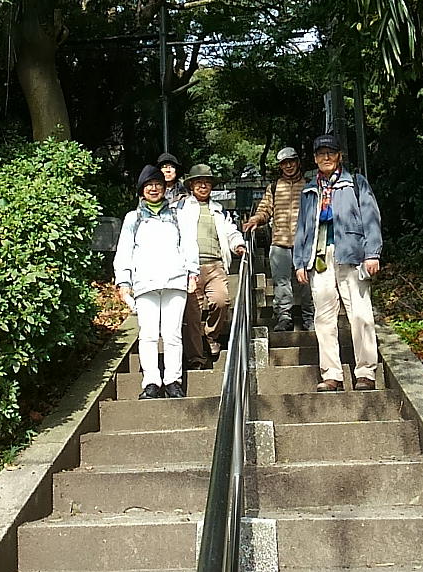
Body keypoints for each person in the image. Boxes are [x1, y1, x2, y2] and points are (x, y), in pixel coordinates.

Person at [293, 134, 382, 392]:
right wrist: (300, 262)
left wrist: (372, 253)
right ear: (314, 159)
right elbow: (302, 227)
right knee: (323, 317)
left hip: (352, 254)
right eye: (321, 154)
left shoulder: (355, 183)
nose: (326, 157)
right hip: (319, 256)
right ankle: (331, 374)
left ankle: (366, 372)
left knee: (361, 314)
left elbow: (371, 217)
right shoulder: (310, 190)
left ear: (339, 156)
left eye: (330, 153)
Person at [113, 165, 199, 399]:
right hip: (145, 283)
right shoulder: (133, 218)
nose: (153, 189)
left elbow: (189, 245)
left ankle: (173, 380)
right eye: (148, 185)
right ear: (141, 189)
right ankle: (151, 381)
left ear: (164, 188)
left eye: (158, 184)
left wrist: (192, 273)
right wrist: (123, 280)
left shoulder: (178, 216)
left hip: (175, 281)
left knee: (172, 334)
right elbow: (124, 250)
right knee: (148, 334)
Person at [179, 164, 246, 368]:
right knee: (192, 314)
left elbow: (231, 231)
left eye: (207, 182)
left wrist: (238, 244)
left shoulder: (218, 209)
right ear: (191, 185)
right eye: (198, 182)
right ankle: (195, 357)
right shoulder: (180, 208)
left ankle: (211, 335)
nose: (203, 186)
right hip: (190, 268)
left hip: (215, 265)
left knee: (221, 301)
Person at [243, 146, 315, 332]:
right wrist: (255, 220)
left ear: (298, 163)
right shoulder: (274, 187)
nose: (288, 166)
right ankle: (284, 317)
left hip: (305, 243)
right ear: (280, 166)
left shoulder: (309, 184)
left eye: (291, 162)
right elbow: (265, 209)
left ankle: (310, 317)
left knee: (307, 283)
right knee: (281, 283)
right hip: (280, 243)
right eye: (284, 163)